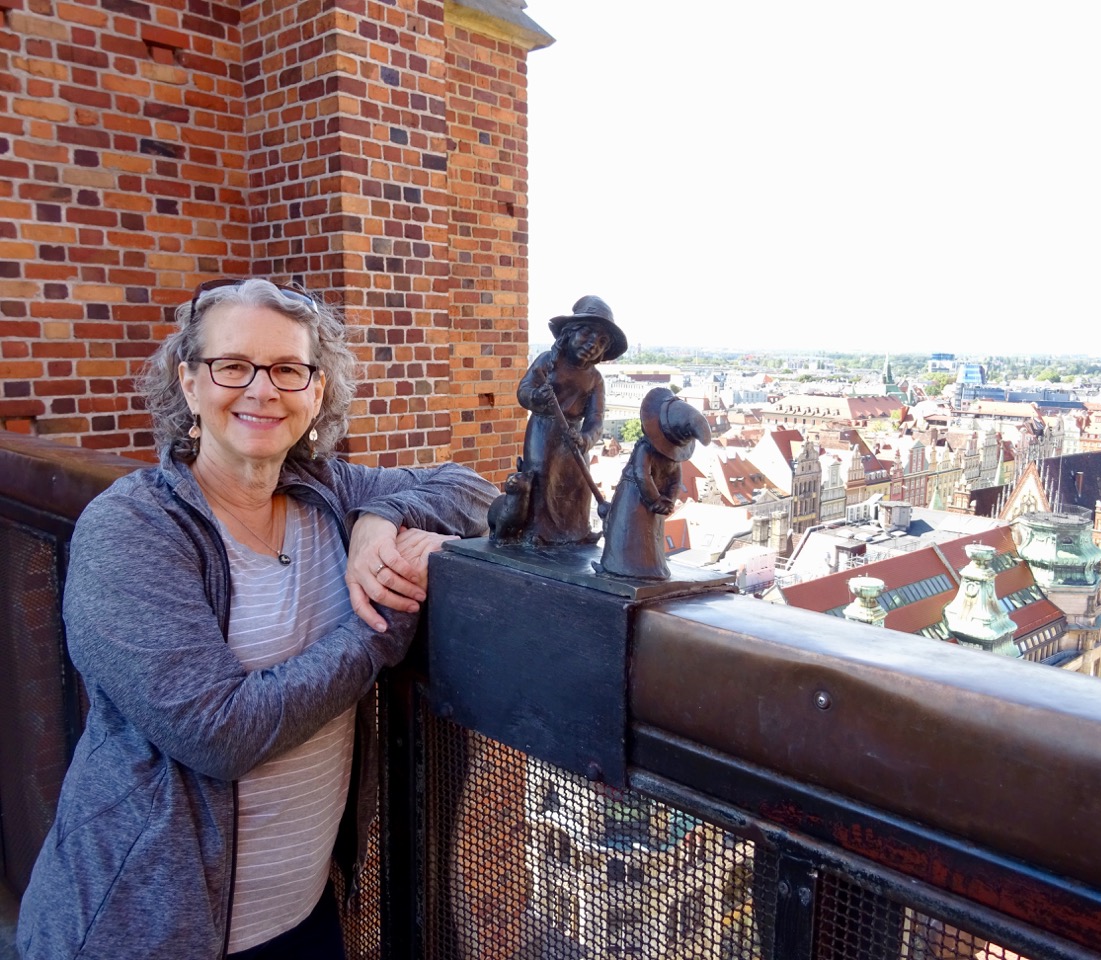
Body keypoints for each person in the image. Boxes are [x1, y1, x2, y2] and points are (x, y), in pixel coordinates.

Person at [17, 279, 495, 959]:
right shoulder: (132, 528)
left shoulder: (328, 492)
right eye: (233, 365)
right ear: (188, 383)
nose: (263, 390)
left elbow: (479, 492)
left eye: (288, 369)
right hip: (149, 931)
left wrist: (383, 516)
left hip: (305, 916)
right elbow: (219, 733)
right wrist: (381, 621)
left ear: (317, 391)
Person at [515, 295, 627, 544]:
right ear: (569, 333)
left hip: (574, 439)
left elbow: (596, 420)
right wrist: (537, 397)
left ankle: (577, 532)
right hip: (543, 433)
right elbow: (523, 391)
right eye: (587, 334)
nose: (593, 344)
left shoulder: (595, 379)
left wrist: (585, 439)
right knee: (543, 478)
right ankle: (539, 531)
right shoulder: (548, 361)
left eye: (602, 341)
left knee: (577, 485)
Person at [596, 387, 710, 580]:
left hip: (644, 499)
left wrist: (665, 501)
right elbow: (643, 475)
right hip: (637, 497)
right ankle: (622, 566)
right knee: (631, 530)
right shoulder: (648, 449)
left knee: (641, 534)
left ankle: (640, 568)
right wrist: (659, 500)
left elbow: (671, 480)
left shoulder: (662, 453)